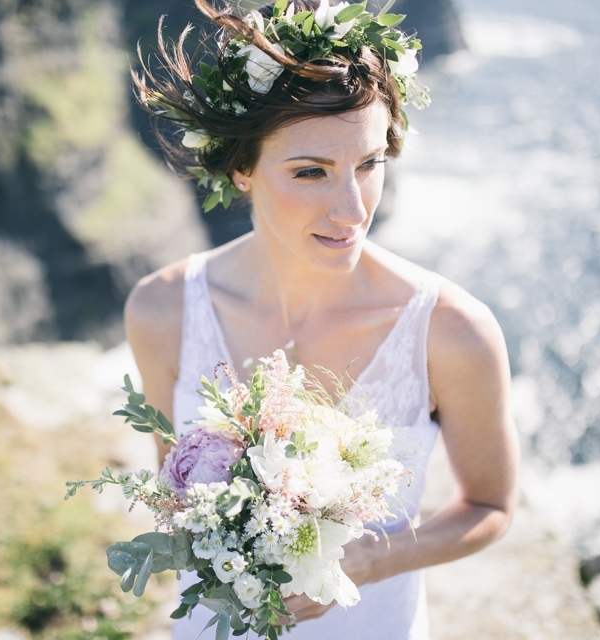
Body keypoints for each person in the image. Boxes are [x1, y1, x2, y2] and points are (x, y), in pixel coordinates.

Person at [125, 1, 520, 637]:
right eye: (311, 172)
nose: (351, 208)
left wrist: (367, 558)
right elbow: (175, 489)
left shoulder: (453, 332)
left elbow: (491, 506)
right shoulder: (161, 309)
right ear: (241, 169)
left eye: (369, 165)